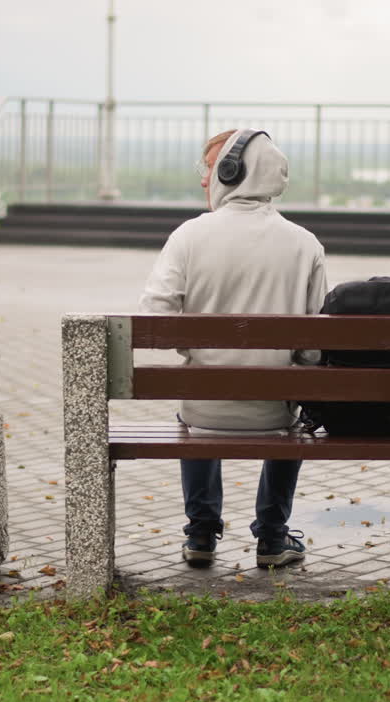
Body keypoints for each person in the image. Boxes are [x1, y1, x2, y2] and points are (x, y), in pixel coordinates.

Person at [139, 129, 328, 570]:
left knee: (195, 407)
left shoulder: (188, 236)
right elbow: (317, 349)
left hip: (205, 409)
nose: (205, 180)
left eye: (209, 169)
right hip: (274, 413)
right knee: (295, 414)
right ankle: (273, 537)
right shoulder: (305, 243)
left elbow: (153, 320)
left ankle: (201, 533)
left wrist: (198, 347)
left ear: (232, 172)